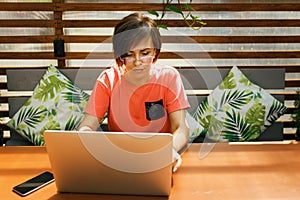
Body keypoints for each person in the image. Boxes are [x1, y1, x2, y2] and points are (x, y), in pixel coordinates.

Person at [78, 12, 190, 172]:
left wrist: (169, 151)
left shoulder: (169, 77)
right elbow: (87, 126)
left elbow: (181, 127)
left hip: (159, 161)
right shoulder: (108, 80)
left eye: (145, 53)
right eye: (129, 55)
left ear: (155, 52)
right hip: (119, 162)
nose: (138, 62)